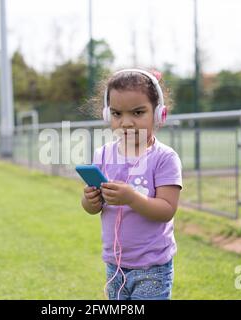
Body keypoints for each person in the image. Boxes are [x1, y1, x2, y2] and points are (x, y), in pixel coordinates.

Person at [81, 69, 183, 300]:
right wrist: (90, 200)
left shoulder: (164, 158)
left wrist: (132, 198)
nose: (126, 123)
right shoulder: (103, 155)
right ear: (108, 115)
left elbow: (167, 210)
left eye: (138, 112)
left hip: (152, 268)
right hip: (115, 266)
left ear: (158, 114)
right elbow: (91, 208)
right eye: (117, 113)